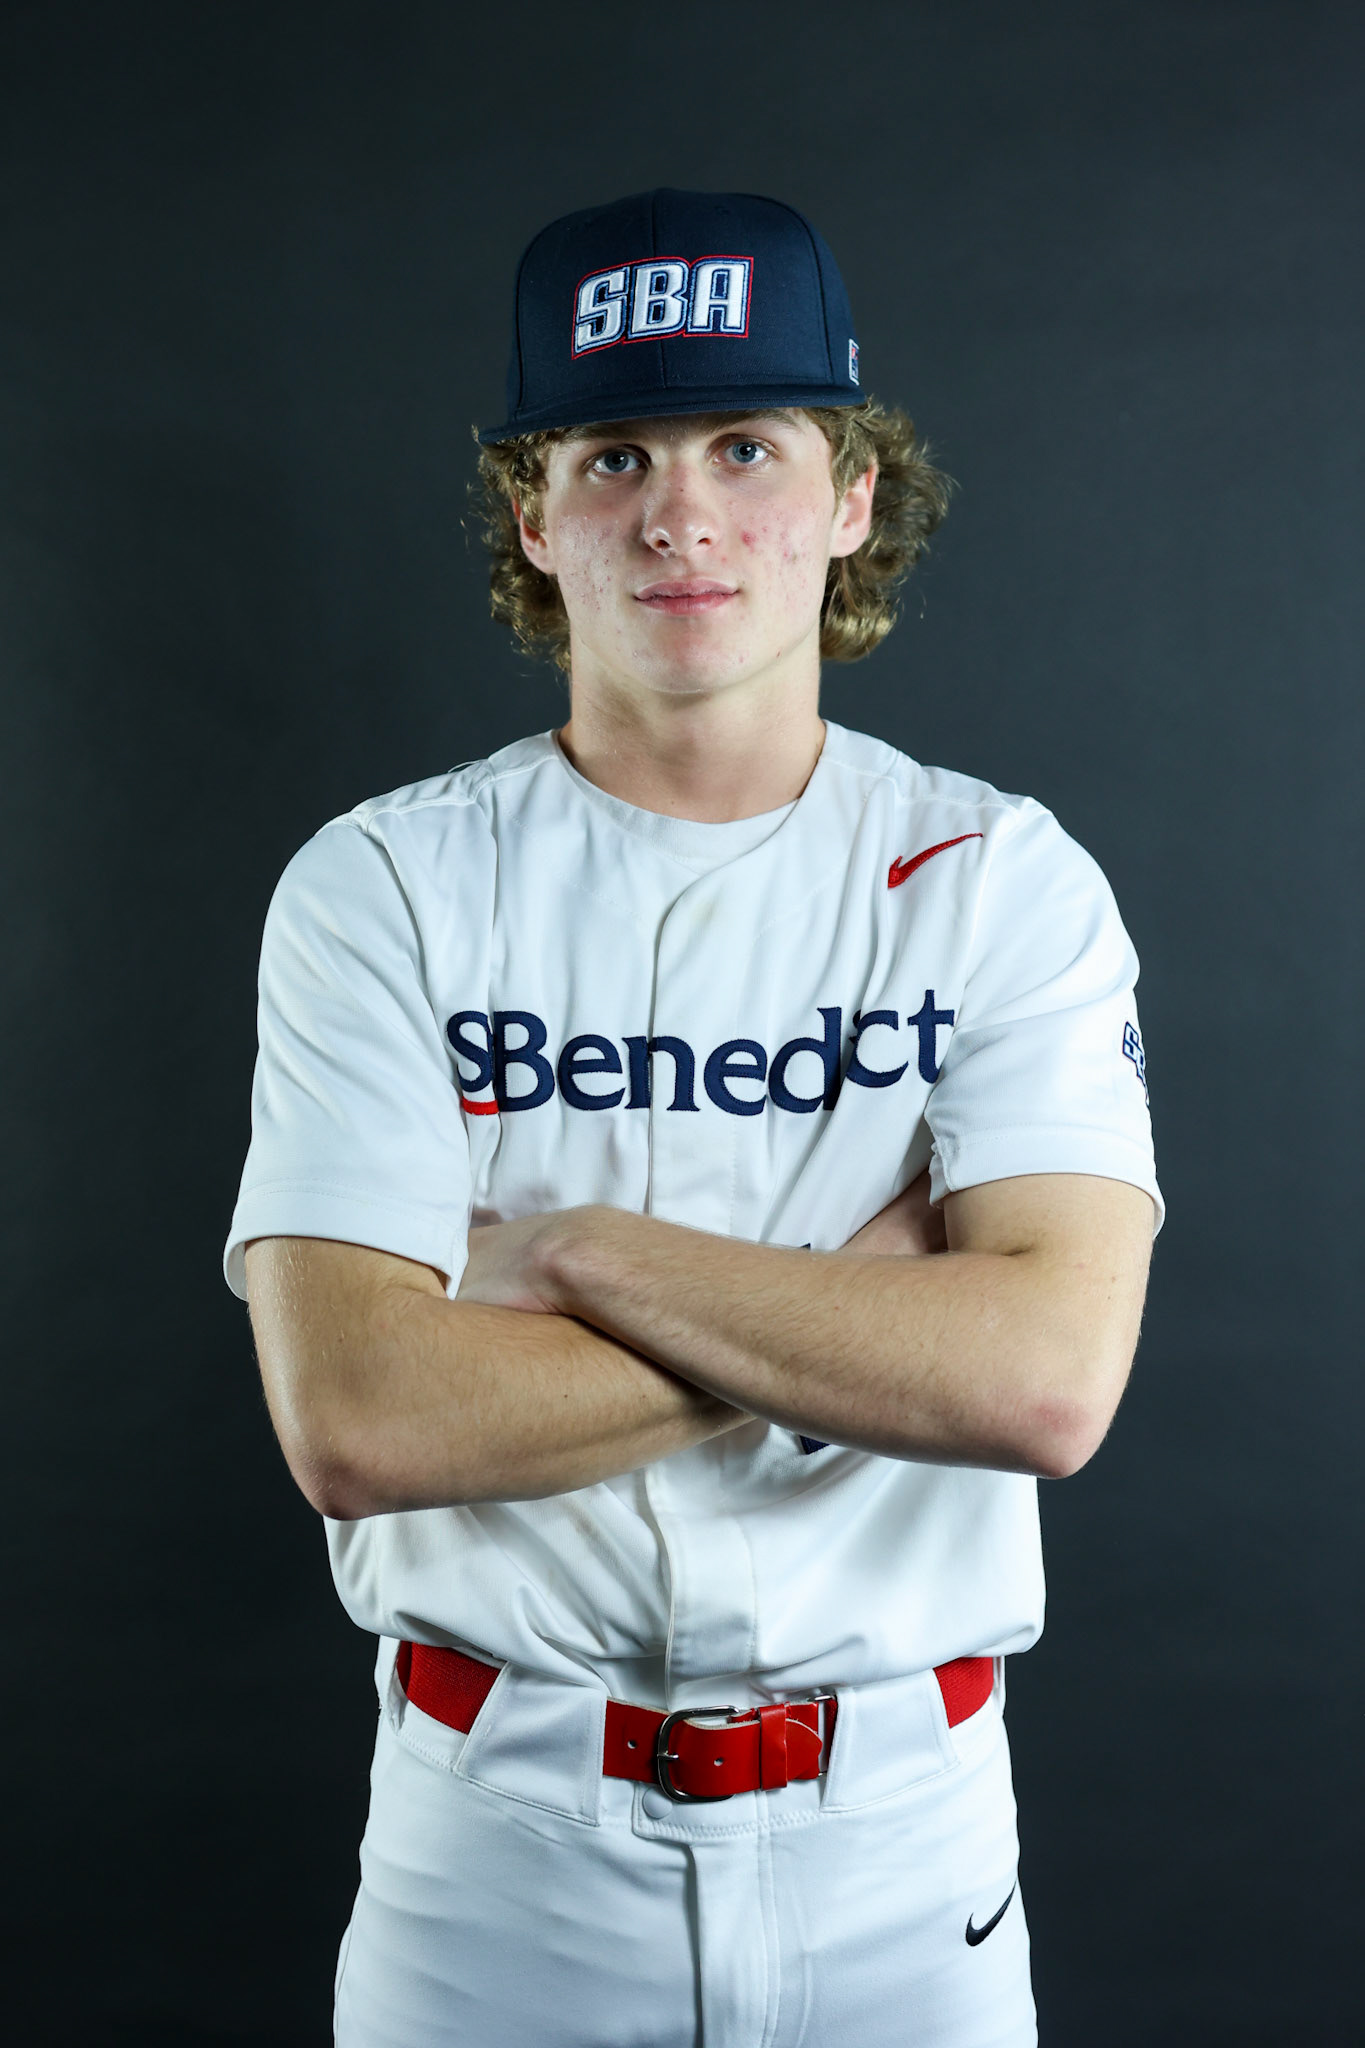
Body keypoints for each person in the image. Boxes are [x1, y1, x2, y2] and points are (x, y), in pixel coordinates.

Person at [225, 188, 1162, 2047]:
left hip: (901, 1843)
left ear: (850, 500)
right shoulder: (384, 884)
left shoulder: (996, 877)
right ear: (532, 513)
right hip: (495, 1849)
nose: (679, 508)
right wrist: (863, 1311)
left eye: (749, 442)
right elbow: (361, 1415)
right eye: (612, 452)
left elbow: (1043, 1385)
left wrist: (573, 1256)